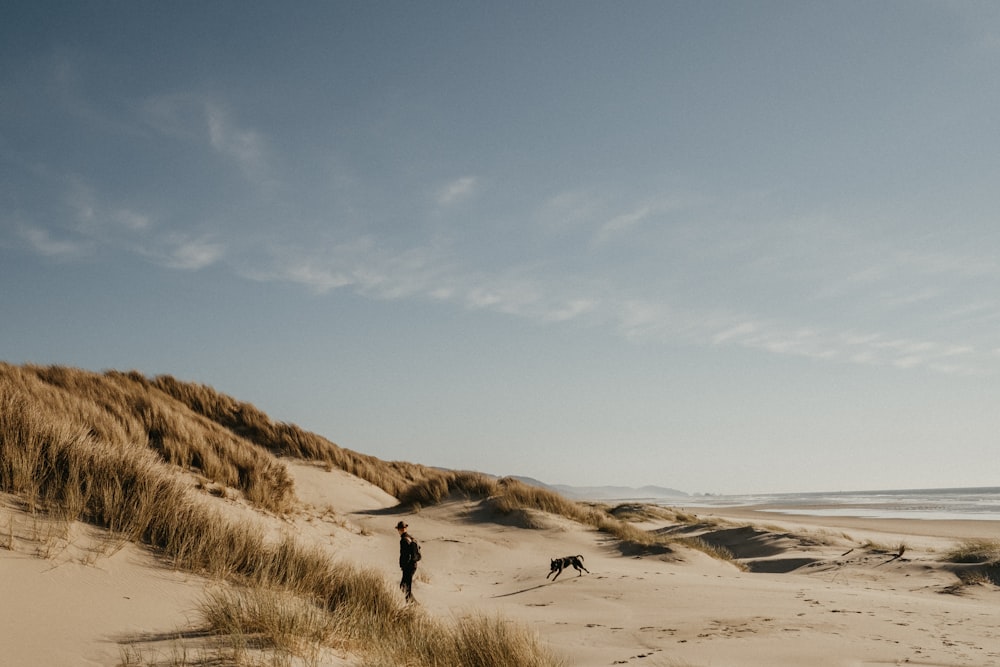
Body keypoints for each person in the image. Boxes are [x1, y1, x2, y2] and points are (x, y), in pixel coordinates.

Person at [396, 520, 418, 602]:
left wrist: (404, 566)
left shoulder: (404, 540)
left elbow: (405, 555)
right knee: (405, 586)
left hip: (408, 566)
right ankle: (412, 603)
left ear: (399, 530)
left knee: (404, 587)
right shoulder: (410, 538)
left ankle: (413, 604)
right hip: (413, 565)